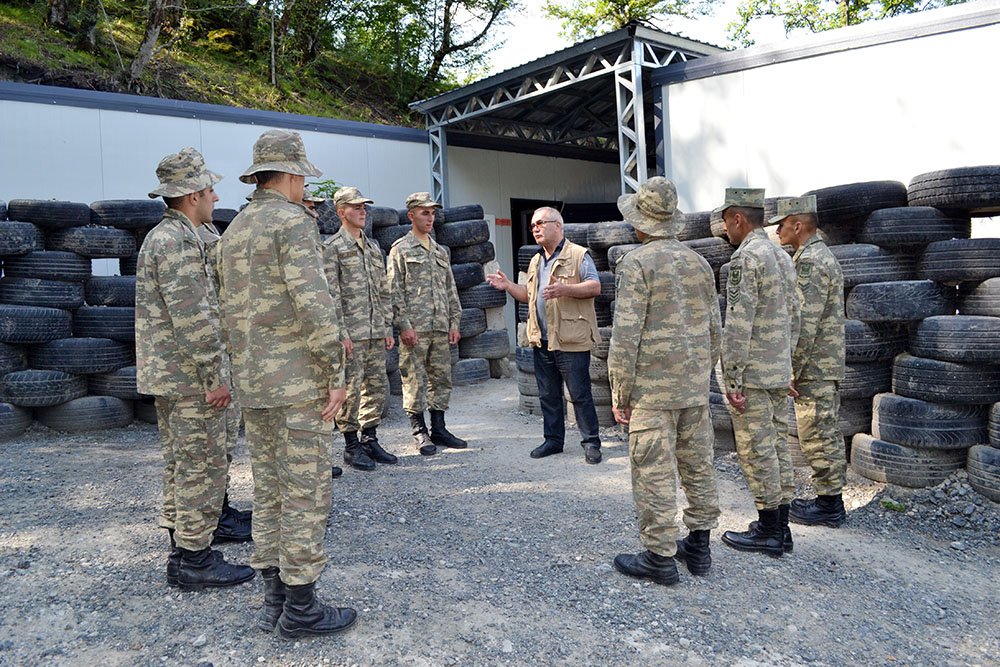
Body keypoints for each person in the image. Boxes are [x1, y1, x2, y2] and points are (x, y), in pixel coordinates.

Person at [219, 130, 355, 639]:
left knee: (271, 490)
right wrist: (336, 377)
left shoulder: (233, 229)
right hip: (298, 383)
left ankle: (274, 597)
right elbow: (316, 305)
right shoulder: (292, 224)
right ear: (293, 174)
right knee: (305, 492)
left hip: (254, 383)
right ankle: (301, 609)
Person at [136, 147, 255, 591]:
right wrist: (214, 378)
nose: (214, 196)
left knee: (185, 463)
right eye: (209, 190)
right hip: (190, 379)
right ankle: (193, 560)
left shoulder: (184, 236)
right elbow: (193, 317)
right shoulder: (176, 242)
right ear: (191, 196)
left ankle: (185, 547)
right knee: (197, 467)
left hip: (179, 376)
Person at [608, 177, 722, 585]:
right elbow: (715, 330)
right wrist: (700, 374)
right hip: (693, 388)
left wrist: (620, 393)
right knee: (698, 466)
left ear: (641, 223)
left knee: (654, 471)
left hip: (652, 393)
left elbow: (625, 337)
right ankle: (700, 546)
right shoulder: (700, 263)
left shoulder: (637, 264)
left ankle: (659, 557)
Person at [717, 188, 800, 558]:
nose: (724, 230)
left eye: (725, 222)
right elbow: (797, 315)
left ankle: (769, 532)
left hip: (752, 374)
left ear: (738, 219)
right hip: (777, 370)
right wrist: (788, 365)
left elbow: (737, 324)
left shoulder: (745, 260)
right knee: (778, 446)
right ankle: (780, 528)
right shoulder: (782, 257)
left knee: (756, 451)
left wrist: (731, 379)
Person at [486, 207, 603, 464]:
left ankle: (591, 442)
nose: (535, 229)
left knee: (579, 394)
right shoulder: (537, 260)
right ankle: (553, 441)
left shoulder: (578, 255)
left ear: (558, 226)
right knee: (548, 394)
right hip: (543, 339)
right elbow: (529, 295)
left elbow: (595, 286)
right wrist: (507, 286)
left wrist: (565, 289)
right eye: (532, 226)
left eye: (540, 223)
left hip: (571, 339)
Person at [773, 195, 848, 527]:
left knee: (818, 433)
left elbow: (805, 321)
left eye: (782, 223)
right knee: (819, 430)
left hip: (815, 365)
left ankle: (830, 505)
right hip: (821, 363)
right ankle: (827, 499)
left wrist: (791, 368)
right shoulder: (815, 256)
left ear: (797, 225)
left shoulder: (812, 262)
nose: (777, 230)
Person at [323, 186, 397, 472]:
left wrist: (387, 326)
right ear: (342, 212)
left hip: (375, 330)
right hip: (352, 332)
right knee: (351, 389)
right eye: (357, 207)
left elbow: (383, 290)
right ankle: (351, 446)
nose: (363, 211)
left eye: (365, 207)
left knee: (376, 385)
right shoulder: (333, 247)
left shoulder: (373, 246)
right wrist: (341, 333)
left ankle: (370, 438)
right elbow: (333, 294)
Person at [387, 192, 467, 456]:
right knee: (415, 380)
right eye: (424, 212)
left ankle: (439, 428)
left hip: (440, 327)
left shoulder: (440, 250)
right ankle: (419, 431)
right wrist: (404, 326)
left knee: (442, 379)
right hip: (416, 329)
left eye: (432, 212)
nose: (430, 217)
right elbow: (394, 291)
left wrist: (455, 322)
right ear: (411, 215)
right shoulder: (401, 249)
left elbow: (450, 289)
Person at [195, 217, 254, 543]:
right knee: (212, 446)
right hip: (215, 355)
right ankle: (212, 519)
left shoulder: (207, 232)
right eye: (208, 191)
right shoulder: (192, 238)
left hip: (225, 350)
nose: (215, 198)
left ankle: (220, 509)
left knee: (224, 442)